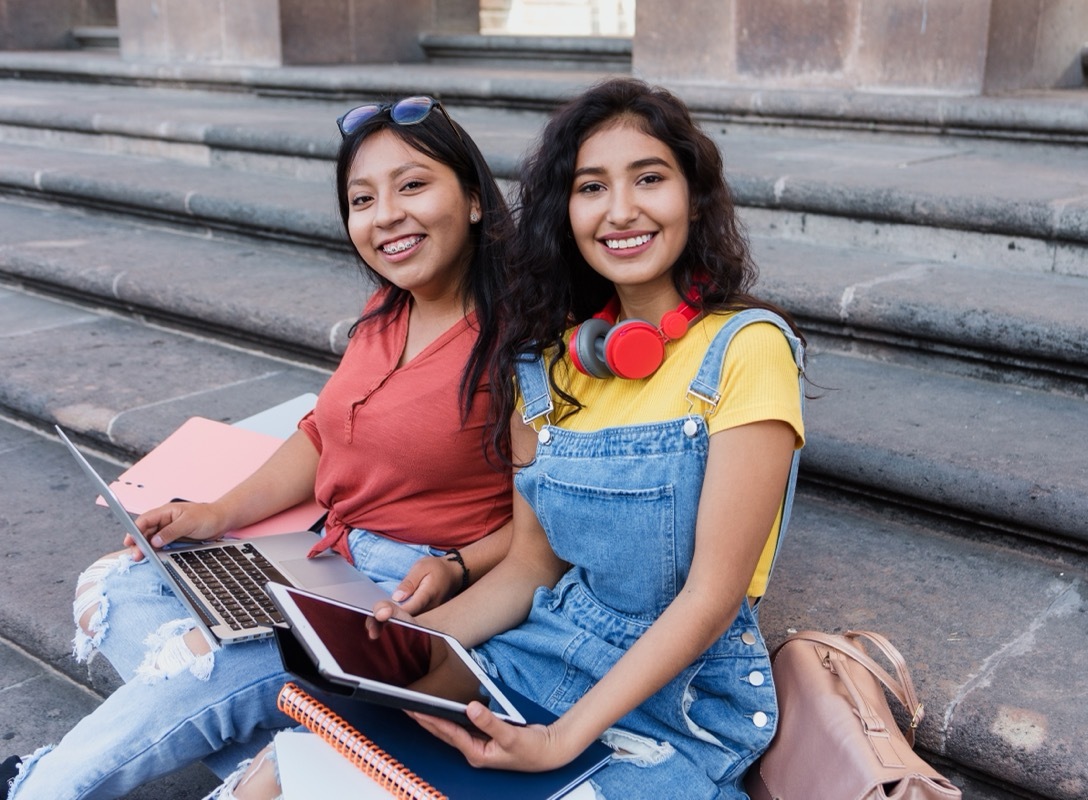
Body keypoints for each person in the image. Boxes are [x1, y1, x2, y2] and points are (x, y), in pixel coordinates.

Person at [221, 76, 806, 800]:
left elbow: (710, 597)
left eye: (649, 179)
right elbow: (531, 564)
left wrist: (564, 737)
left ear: (693, 194)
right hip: (544, 647)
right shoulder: (548, 363)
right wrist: (406, 648)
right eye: (591, 187)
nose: (620, 210)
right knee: (303, 764)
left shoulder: (747, 350)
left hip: (675, 694)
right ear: (566, 211)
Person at [4, 95, 517, 800]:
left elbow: (552, 521)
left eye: (412, 185)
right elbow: (320, 435)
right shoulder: (387, 310)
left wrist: (457, 566)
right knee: (116, 584)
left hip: (400, 602)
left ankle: (38, 786)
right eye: (361, 199)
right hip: (322, 562)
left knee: (205, 662)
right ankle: (273, 754)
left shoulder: (520, 340)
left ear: (474, 198)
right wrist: (215, 514)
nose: (385, 216)